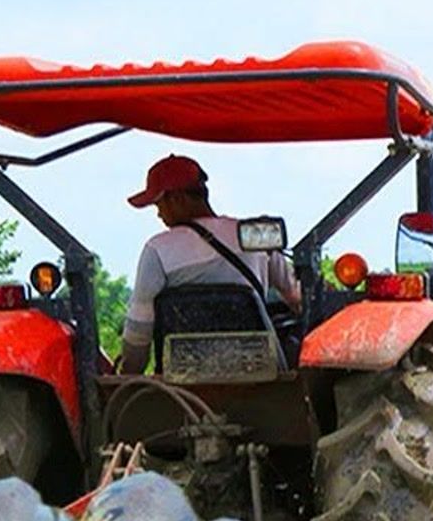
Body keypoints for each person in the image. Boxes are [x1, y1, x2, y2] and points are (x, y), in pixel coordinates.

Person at [116, 155, 301, 374]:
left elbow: (139, 331)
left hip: (184, 381)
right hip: (261, 373)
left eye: (159, 204)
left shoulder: (158, 250)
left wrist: (128, 375)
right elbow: (298, 298)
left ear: (177, 199)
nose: (158, 214)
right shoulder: (254, 236)